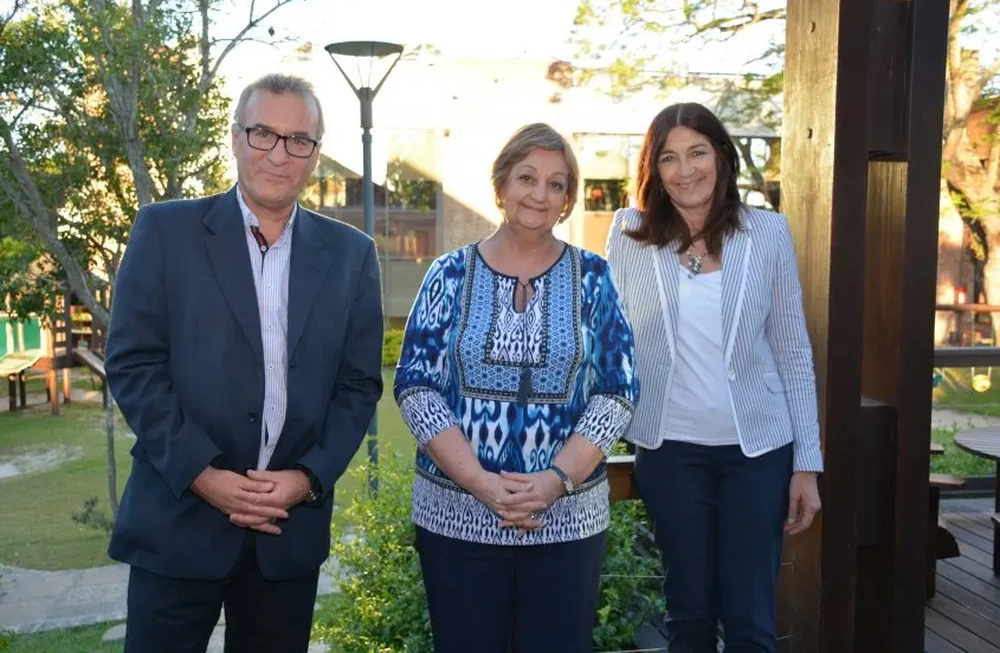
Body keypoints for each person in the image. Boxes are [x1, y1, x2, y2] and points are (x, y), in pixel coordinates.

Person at [104, 73, 384, 653]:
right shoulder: (165, 231)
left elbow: (358, 386)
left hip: (287, 537)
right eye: (263, 134)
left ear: (316, 154)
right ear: (234, 138)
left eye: (298, 140)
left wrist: (305, 480)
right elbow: (134, 366)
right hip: (177, 523)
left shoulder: (352, 256)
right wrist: (205, 477)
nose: (279, 155)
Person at [394, 122, 639, 653]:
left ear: (568, 199)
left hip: (568, 523)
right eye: (527, 177)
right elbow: (416, 385)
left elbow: (617, 390)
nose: (539, 194)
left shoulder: (595, 277)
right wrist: (479, 481)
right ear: (501, 184)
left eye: (556, 184)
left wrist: (555, 480)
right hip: (455, 517)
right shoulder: (448, 275)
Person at [605, 102, 823, 652]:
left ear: (722, 156)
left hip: (757, 453)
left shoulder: (767, 232)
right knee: (690, 617)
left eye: (697, 152)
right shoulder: (630, 232)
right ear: (653, 169)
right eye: (669, 157)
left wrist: (807, 464)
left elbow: (793, 351)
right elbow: (608, 338)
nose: (685, 170)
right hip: (671, 450)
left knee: (751, 619)